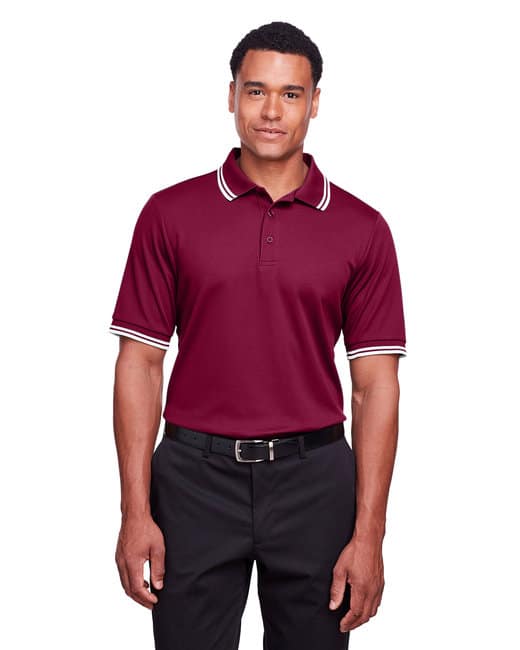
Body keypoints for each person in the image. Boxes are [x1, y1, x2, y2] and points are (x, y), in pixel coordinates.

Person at [109, 20, 407, 650]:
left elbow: (376, 387)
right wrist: (135, 511)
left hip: (315, 481)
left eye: (291, 94)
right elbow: (139, 363)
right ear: (231, 96)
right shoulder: (169, 214)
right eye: (256, 91)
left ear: (315, 102)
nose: (272, 111)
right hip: (192, 481)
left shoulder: (363, 228)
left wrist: (370, 535)